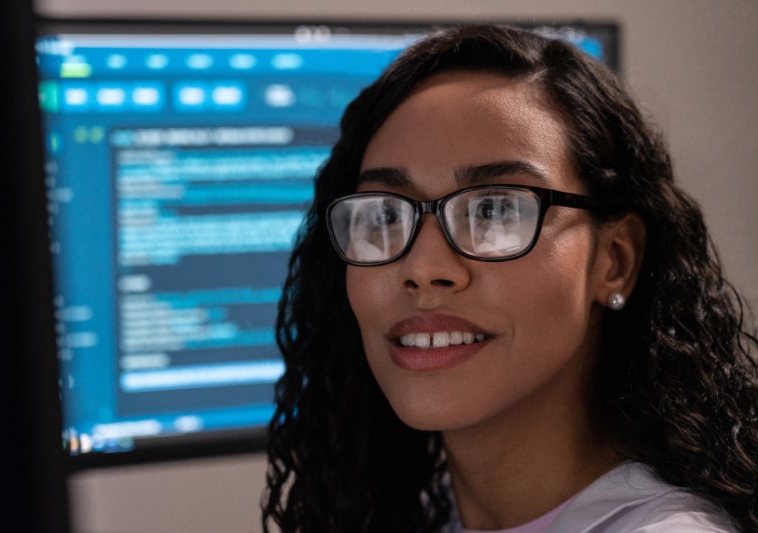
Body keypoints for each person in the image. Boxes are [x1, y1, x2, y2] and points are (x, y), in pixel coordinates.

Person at [261, 24, 758, 532]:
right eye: (385, 216)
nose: (423, 268)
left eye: (495, 210)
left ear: (614, 261)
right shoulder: (421, 515)